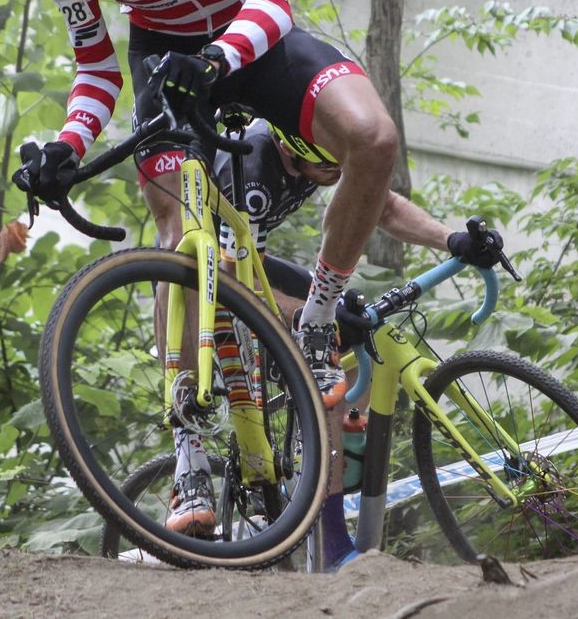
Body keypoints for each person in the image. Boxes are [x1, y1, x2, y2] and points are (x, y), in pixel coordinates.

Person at [5, 0, 401, 539]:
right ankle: (188, 450)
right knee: (172, 224)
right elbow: (95, 69)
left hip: (248, 36)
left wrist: (219, 56)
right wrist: (66, 146)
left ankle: (317, 319)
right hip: (166, 57)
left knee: (374, 137)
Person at [211, 116, 502, 570]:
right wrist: (313, 317)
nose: (334, 177)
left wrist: (453, 239)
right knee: (320, 356)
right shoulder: (254, 165)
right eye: (327, 172)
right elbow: (235, 281)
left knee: (345, 347)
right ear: (291, 152)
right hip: (210, 279)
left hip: (254, 262)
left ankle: (320, 471)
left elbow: (379, 206)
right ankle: (328, 542)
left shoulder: (317, 143)